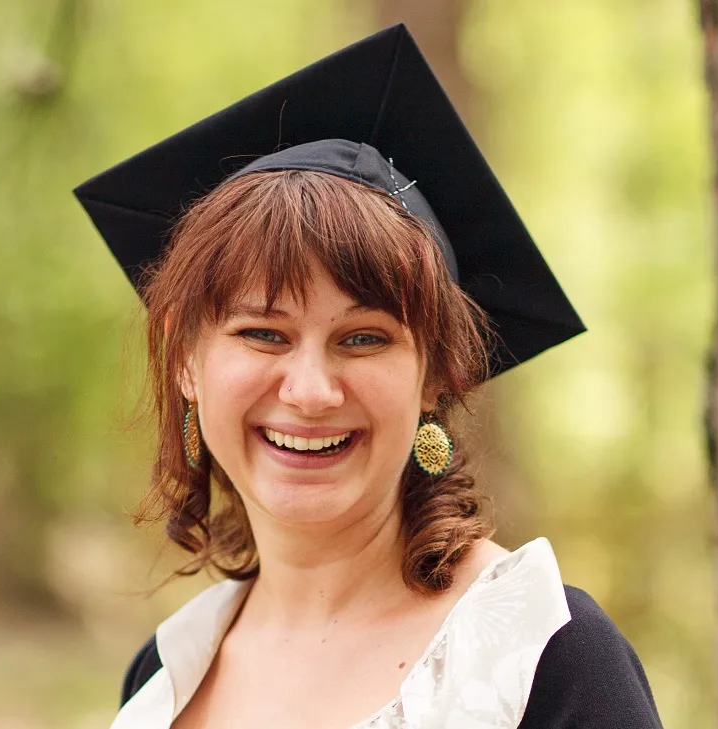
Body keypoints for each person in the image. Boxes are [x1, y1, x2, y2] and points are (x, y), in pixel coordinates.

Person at [75, 24, 663, 729]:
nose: (312, 390)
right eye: (263, 333)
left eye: (363, 338)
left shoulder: (543, 655)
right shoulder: (164, 671)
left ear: (437, 374)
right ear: (186, 361)